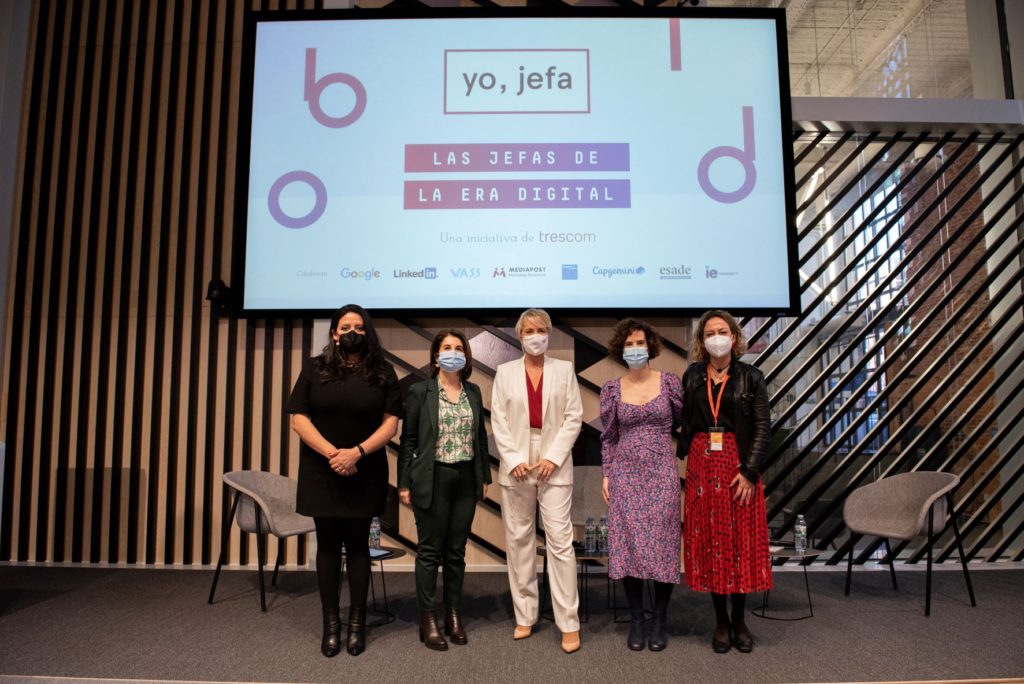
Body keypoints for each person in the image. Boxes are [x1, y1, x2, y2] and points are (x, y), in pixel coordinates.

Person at [287, 304, 402, 657]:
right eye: (345, 326)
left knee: (357, 547)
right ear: (335, 332)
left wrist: (357, 453)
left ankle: (357, 622)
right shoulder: (313, 368)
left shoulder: (383, 371)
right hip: (322, 470)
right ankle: (331, 624)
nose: (352, 331)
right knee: (327, 546)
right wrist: (335, 455)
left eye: (358, 326)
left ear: (366, 332)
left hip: (365, 468)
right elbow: (298, 418)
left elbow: (391, 422)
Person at [678, 310, 772, 654]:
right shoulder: (691, 376)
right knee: (711, 542)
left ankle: (740, 619)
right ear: (702, 341)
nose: (716, 337)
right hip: (702, 464)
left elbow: (763, 427)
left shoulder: (752, 377)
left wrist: (749, 471)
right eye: (709, 333)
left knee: (739, 543)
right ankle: (720, 621)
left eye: (722, 331)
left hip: (738, 464)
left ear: (734, 337)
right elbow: (681, 419)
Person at [491, 308, 584, 654]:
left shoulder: (564, 370)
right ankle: (525, 614)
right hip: (515, 459)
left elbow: (574, 417)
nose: (535, 335)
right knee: (519, 541)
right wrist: (514, 459)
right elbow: (498, 419)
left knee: (560, 542)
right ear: (519, 336)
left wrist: (552, 457)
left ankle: (569, 623)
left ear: (549, 333)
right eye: (529, 330)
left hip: (554, 461)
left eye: (541, 329)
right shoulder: (504, 372)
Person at [398, 329, 492, 651]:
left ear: (466, 356)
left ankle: (453, 615)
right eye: (447, 347)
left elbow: (480, 437)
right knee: (429, 551)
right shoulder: (420, 391)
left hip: (466, 478)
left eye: (459, 348)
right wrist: (403, 483)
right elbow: (408, 440)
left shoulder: (474, 391)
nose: (453, 352)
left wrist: (484, 478)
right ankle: (428, 619)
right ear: (436, 356)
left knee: (456, 552)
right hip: (431, 477)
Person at [599, 319, 683, 651]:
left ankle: (659, 619)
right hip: (625, 475)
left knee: (663, 544)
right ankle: (637, 618)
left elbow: (681, 423)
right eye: (629, 344)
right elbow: (608, 437)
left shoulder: (670, 384)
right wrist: (607, 473)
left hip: (662, 472)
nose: (635, 348)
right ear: (622, 349)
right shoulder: (611, 389)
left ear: (651, 346)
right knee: (630, 545)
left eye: (640, 343)